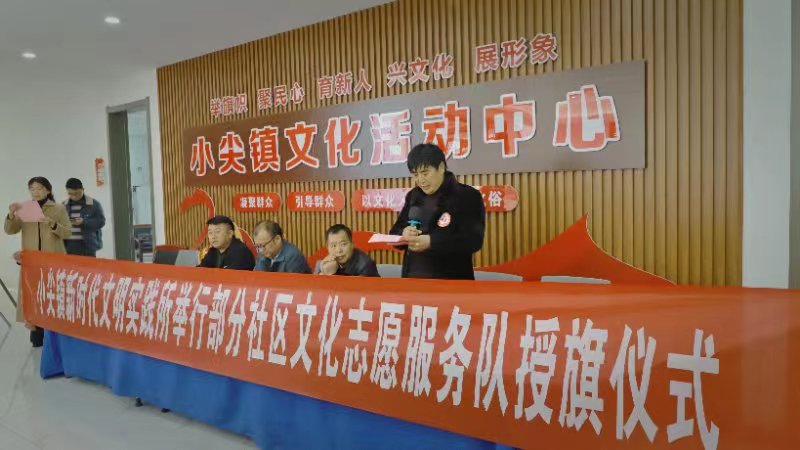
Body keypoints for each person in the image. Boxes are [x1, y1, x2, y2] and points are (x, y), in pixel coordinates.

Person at [389, 143, 486, 280]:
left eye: (425, 173)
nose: (420, 180)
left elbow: (473, 240)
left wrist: (432, 242)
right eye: (415, 175)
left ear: (441, 167)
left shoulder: (467, 196)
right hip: (412, 282)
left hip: (451, 284)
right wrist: (403, 235)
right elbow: (395, 232)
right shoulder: (413, 196)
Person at [5, 176, 72, 347]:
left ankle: (55, 334)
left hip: (53, 261)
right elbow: (10, 230)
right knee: (34, 296)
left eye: (39, 188)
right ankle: (37, 333)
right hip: (32, 261)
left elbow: (67, 233)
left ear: (47, 190)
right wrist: (11, 214)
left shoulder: (58, 208)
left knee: (52, 296)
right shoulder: (25, 209)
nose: (35, 192)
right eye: (32, 189)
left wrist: (52, 223)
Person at [314, 224, 379, 277]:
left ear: (352, 244)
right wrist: (323, 270)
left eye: (343, 244)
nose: (339, 250)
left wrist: (330, 276)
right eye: (333, 246)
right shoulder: (323, 263)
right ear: (327, 247)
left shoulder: (365, 264)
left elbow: (358, 288)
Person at [63, 178, 106, 257]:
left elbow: (101, 221)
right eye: (70, 194)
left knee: (89, 265)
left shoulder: (94, 204)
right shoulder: (63, 205)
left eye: (77, 193)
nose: (74, 196)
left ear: (83, 189)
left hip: (88, 246)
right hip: (69, 245)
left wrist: (84, 222)